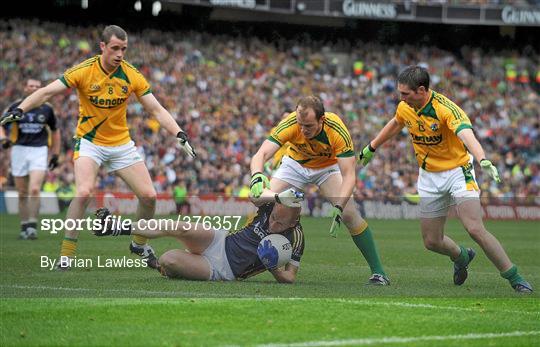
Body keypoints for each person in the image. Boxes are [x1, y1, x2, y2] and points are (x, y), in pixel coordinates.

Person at [0, 25, 196, 269]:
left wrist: (178, 132)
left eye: (123, 49)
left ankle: (138, 244)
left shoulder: (131, 74)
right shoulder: (84, 70)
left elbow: (156, 109)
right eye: (115, 48)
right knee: (83, 192)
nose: (120, 54)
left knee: (149, 196)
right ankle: (66, 255)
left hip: (121, 144)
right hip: (89, 142)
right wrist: (21, 109)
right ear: (102, 47)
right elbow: (47, 92)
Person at [358, 65, 532, 293]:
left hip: (458, 172)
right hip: (429, 176)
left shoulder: (446, 109)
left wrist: (482, 159)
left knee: (474, 228)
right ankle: (461, 256)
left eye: (405, 94)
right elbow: (396, 122)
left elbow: (466, 134)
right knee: (431, 241)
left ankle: (515, 277)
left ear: (421, 90)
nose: (400, 98)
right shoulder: (405, 107)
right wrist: (372, 147)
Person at [250, 95, 389, 285]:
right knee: (257, 198)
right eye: (300, 124)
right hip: (294, 164)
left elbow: (349, 175)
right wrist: (257, 175)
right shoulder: (291, 122)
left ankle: (378, 273)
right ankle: (245, 251)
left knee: (349, 214)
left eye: (308, 126)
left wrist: (339, 206)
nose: (302, 129)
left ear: (321, 119)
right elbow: (261, 153)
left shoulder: (337, 130)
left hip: (327, 168)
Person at [93, 188, 305, 283]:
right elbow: (253, 194)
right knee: (181, 226)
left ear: (294, 222)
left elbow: (290, 277)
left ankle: (158, 265)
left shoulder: (296, 237)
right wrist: (277, 195)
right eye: (274, 217)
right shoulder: (270, 205)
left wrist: (272, 268)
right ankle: (116, 227)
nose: (273, 223)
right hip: (221, 241)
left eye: (280, 223)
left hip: (225, 271)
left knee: (168, 260)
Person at [0, 78, 60, 240]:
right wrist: (3, 139)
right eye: (31, 86)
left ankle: (32, 226)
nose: (34, 88)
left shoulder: (47, 109)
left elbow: (55, 131)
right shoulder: (15, 107)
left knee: (34, 189)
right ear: (25, 88)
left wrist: (55, 153)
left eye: (37, 87)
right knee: (22, 193)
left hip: (39, 151)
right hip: (19, 150)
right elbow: (2, 124)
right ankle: (24, 226)